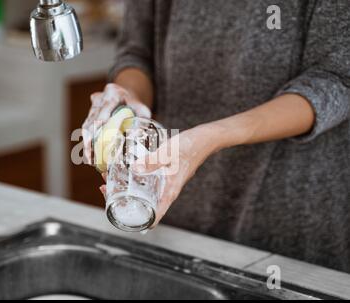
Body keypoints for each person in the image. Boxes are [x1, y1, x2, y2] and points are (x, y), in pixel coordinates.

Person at [82, 1, 350, 273]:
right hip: (177, 194)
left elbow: (338, 79)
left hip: (290, 214)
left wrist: (214, 136)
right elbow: (137, 52)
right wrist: (130, 102)